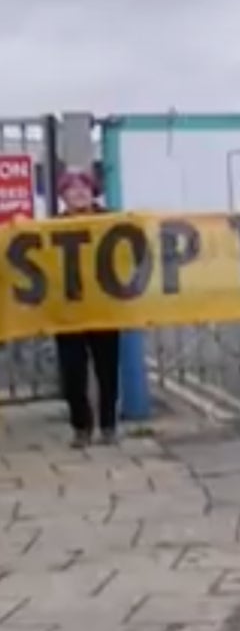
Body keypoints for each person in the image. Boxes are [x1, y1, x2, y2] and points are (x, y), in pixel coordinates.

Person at [53, 169, 122, 448]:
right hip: (67, 312)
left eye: (85, 187)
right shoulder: (51, 226)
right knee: (72, 374)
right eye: (72, 188)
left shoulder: (112, 221)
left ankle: (108, 426)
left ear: (93, 192)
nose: (79, 192)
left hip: (104, 309)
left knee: (107, 371)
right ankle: (81, 426)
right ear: (63, 196)